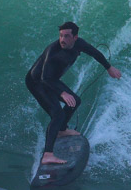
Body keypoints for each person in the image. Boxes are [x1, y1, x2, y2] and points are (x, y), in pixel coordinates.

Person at [25, 21, 121, 164]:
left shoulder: (80, 44)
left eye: (67, 36)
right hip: (37, 82)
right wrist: (62, 93)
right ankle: (48, 155)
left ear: (75, 38)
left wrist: (109, 67)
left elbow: (95, 53)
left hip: (52, 80)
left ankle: (61, 130)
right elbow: (45, 78)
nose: (62, 39)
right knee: (57, 113)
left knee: (75, 101)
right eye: (61, 36)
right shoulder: (53, 52)